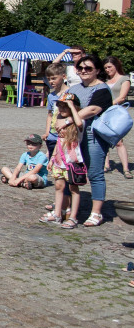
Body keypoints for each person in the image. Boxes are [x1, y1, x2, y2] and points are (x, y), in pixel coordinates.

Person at [69, 54, 113, 226]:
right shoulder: (74, 89)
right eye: (80, 68)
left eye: (88, 68)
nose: (84, 71)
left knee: (95, 173)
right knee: (70, 172)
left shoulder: (102, 88)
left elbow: (92, 109)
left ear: (98, 70)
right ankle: (68, 206)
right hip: (74, 137)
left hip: (93, 136)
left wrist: (68, 120)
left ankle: (96, 213)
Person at [41, 94, 85, 228]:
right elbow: (59, 143)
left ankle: (73, 217)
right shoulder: (61, 123)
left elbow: (79, 122)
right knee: (58, 186)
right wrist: (52, 158)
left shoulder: (77, 124)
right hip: (60, 161)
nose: (61, 109)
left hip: (72, 162)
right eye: (60, 106)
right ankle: (58, 213)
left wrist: (71, 106)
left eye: (64, 106)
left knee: (73, 189)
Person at [103, 55, 132, 178]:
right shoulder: (105, 81)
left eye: (109, 67)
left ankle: (126, 168)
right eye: (105, 68)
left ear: (116, 66)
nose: (107, 70)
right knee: (103, 137)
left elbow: (122, 97)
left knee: (119, 141)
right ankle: (105, 164)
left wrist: (106, 104)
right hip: (104, 113)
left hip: (116, 112)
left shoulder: (124, 79)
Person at [43, 62, 67, 159]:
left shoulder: (70, 93)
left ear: (63, 76)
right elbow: (50, 115)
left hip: (65, 135)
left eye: (54, 78)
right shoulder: (51, 96)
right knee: (53, 163)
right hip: (52, 136)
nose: (51, 81)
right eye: (49, 79)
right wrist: (47, 132)